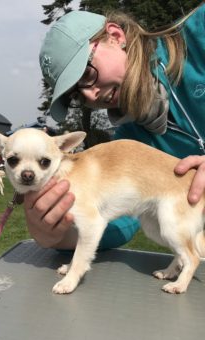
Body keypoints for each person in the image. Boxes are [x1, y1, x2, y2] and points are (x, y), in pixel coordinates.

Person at [27, 4, 205, 251]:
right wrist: (55, 235)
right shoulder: (131, 140)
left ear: (115, 36)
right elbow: (119, 221)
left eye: (86, 74)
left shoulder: (199, 33)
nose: (90, 95)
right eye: (76, 95)